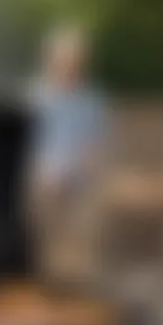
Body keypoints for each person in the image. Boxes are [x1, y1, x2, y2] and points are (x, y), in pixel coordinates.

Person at [28, 26, 112, 283]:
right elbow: (25, 144)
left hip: (82, 186)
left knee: (81, 255)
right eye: (63, 59)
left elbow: (99, 145)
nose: (68, 66)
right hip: (41, 185)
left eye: (75, 60)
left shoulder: (93, 101)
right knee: (40, 252)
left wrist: (71, 169)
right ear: (50, 60)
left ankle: (80, 292)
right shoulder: (33, 97)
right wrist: (43, 172)